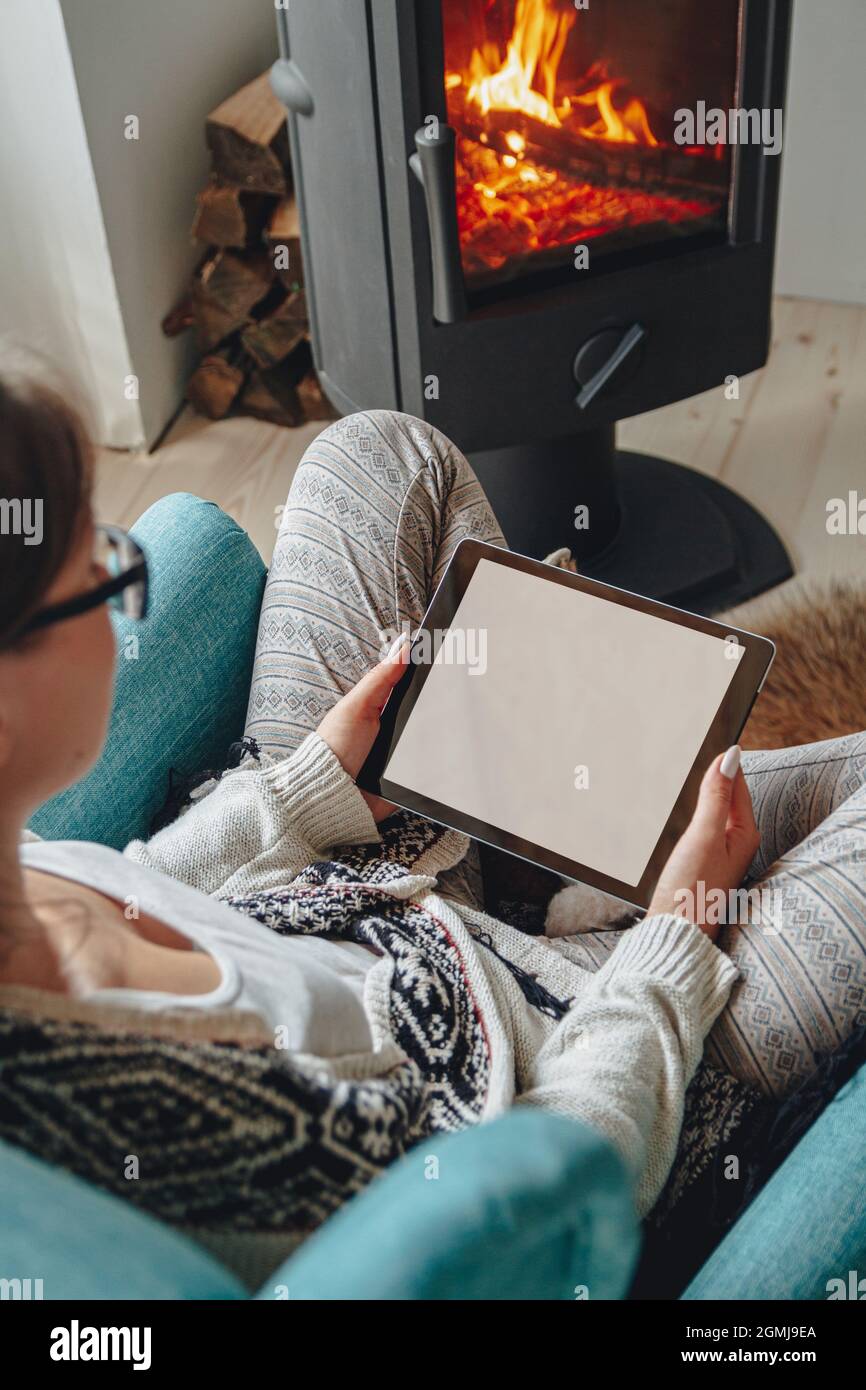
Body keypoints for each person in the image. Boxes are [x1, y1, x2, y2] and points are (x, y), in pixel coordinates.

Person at [1, 373, 864, 1241]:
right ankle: (587, 875)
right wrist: (676, 933)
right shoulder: (161, 1126)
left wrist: (314, 790)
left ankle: (542, 826)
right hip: (572, 1033)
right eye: (97, 572)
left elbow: (153, 884)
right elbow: (546, 1200)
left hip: (349, 878)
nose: (122, 592)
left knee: (379, 456)